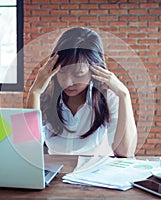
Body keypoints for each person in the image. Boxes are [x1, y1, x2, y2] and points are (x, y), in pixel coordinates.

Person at [27, 27, 137, 157]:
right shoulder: (44, 96)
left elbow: (125, 152)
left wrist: (124, 95)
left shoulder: (109, 97)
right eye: (61, 72)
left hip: (95, 172)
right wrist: (34, 92)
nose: (68, 82)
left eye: (78, 74)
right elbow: (28, 148)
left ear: (95, 70)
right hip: (57, 173)